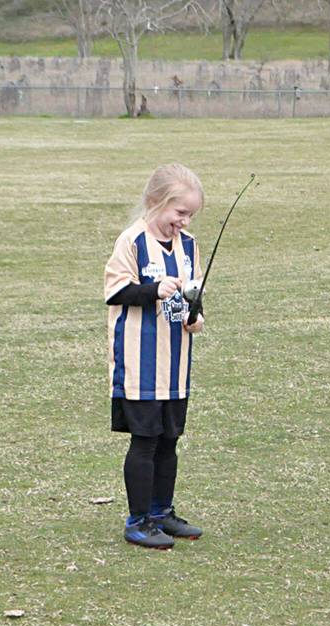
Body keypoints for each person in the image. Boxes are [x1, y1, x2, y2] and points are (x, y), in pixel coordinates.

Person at [104, 163, 207, 550]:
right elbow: (115, 291)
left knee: (169, 441)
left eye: (190, 215)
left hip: (175, 363)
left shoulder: (190, 245)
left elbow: (192, 292)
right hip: (139, 362)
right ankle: (138, 520)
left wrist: (196, 316)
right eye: (179, 213)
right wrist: (153, 289)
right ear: (154, 202)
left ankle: (162, 512)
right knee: (144, 440)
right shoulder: (132, 242)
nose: (183, 221)